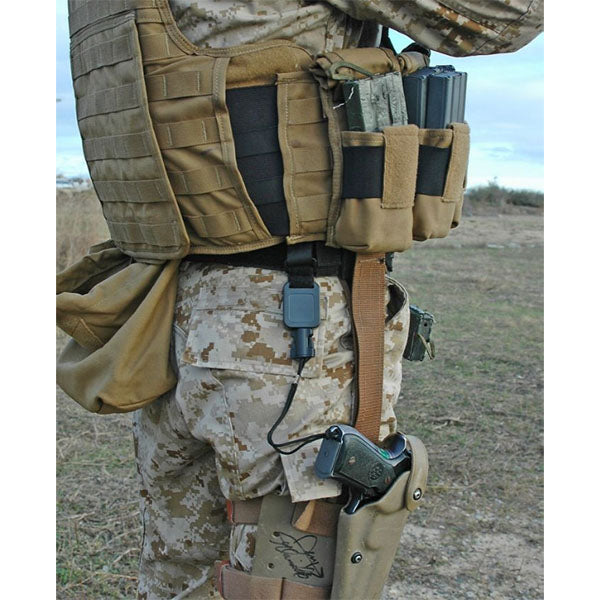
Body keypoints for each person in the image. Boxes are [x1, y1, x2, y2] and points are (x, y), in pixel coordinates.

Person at [59, 1, 543, 598]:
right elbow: (507, 19)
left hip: (174, 303)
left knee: (179, 567)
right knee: (290, 576)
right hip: (285, 320)